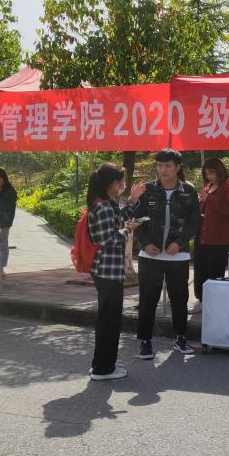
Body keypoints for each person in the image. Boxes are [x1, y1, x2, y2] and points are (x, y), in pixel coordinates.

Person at [133, 149, 201, 360]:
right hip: (150, 255)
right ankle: (145, 341)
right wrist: (145, 243)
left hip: (177, 256)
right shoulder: (147, 189)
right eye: (160, 165)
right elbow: (136, 219)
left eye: (168, 165)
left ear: (178, 167)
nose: (163, 170)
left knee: (179, 298)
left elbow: (194, 221)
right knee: (148, 299)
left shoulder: (188, 190)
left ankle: (181, 338)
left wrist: (180, 243)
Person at [85, 163, 147, 381]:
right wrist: (128, 230)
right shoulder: (102, 207)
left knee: (108, 319)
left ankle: (103, 363)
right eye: (120, 181)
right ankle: (103, 369)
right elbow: (106, 239)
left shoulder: (106, 203)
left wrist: (133, 201)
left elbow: (118, 217)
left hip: (107, 270)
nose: (123, 184)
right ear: (111, 183)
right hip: (107, 270)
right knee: (109, 321)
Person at [191, 158, 229, 314]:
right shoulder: (208, 187)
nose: (210, 176)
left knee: (215, 270)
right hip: (202, 235)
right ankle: (201, 299)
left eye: (212, 173)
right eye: (207, 173)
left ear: (220, 172)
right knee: (200, 268)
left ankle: (213, 302)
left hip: (218, 238)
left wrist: (210, 200)